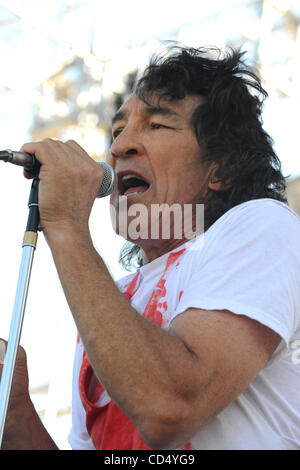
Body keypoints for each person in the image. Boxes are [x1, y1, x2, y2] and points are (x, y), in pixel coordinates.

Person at [0, 45, 299, 450]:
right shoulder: (113, 303)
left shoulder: (264, 226)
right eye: (118, 130)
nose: (120, 147)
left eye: (157, 126)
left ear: (222, 168)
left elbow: (170, 409)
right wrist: (16, 410)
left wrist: (68, 226)